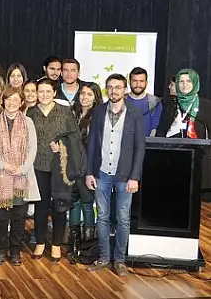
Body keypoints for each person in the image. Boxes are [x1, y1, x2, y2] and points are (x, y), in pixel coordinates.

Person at [86, 74, 146, 277]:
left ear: (125, 90)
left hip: (125, 175)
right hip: (102, 173)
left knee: (123, 218)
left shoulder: (135, 113)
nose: (114, 91)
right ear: (106, 89)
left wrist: (134, 177)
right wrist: (89, 172)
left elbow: (140, 147)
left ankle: (119, 260)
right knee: (102, 216)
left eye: (118, 87)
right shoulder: (99, 111)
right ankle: (104, 257)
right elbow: (92, 144)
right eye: (110, 87)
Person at [0, 87, 39, 265]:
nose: (11, 103)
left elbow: (32, 148)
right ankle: (0, 249)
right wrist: (4, 165)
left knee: (19, 217)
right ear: (3, 101)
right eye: (8, 99)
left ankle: (15, 250)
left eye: (16, 99)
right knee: (0, 217)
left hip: (21, 176)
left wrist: (22, 168)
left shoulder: (28, 122)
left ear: (21, 102)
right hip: (0, 175)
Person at [27, 78, 78, 263]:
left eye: (48, 91)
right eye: (41, 91)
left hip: (59, 167)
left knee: (59, 206)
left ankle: (56, 244)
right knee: (40, 207)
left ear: (55, 93)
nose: (44, 95)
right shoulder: (31, 113)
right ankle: (40, 242)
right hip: (38, 166)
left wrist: (62, 146)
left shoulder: (65, 112)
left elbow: (74, 137)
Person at [156, 68, 211, 194]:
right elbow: (161, 133)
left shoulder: (207, 106)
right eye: (181, 81)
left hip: (201, 164)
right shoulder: (171, 106)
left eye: (188, 81)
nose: (185, 84)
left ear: (195, 83)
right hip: (175, 163)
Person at [67, 82, 102, 257]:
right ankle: (74, 243)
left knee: (87, 205)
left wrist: (91, 171)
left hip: (88, 169)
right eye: (82, 93)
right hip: (70, 168)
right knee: (73, 204)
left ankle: (88, 246)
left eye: (89, 94)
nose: (84, 97)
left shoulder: (98, 117)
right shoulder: (71, 113)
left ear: (95, 97)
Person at [123, 67, 162, 137]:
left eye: (141, 81)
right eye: (135, 81)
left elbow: (154, 128)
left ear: (146, 83)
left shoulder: (155, 102)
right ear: (129, 82)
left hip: (146, 142)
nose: (138, 84)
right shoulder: (121, 100)